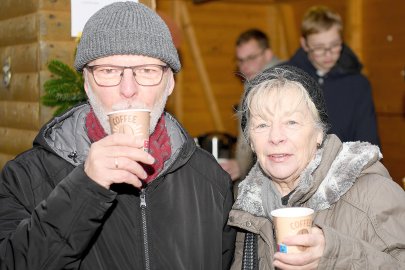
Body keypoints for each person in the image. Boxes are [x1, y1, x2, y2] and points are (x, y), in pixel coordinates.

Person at [0, 2, 235, 270]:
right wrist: (85, 187)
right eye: (109, 71)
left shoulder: (210, 180)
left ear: (169, 82)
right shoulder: (25, 177)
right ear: (87, 83)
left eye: (146, 70)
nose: (128, 89)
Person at [228, 65, 405, 269]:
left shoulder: (374, 194)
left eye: (292, 122)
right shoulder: (244, 213)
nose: (275, 137)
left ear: (319, 133)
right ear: (250, 141)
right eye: (262, 125)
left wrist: (335, 256)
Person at [286, 5, 380, 146]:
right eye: (319, 48)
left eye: (335, 45)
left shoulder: (358, 84)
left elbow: (368, 143)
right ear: (304, 44)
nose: (328, 53)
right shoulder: (284, 80)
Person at [220, 29, 282, 187]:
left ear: (267, 55)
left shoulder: (275, 85)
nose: (245, 66)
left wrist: (240, 165)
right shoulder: (254, 83)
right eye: (240, 60)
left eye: (251, 58)